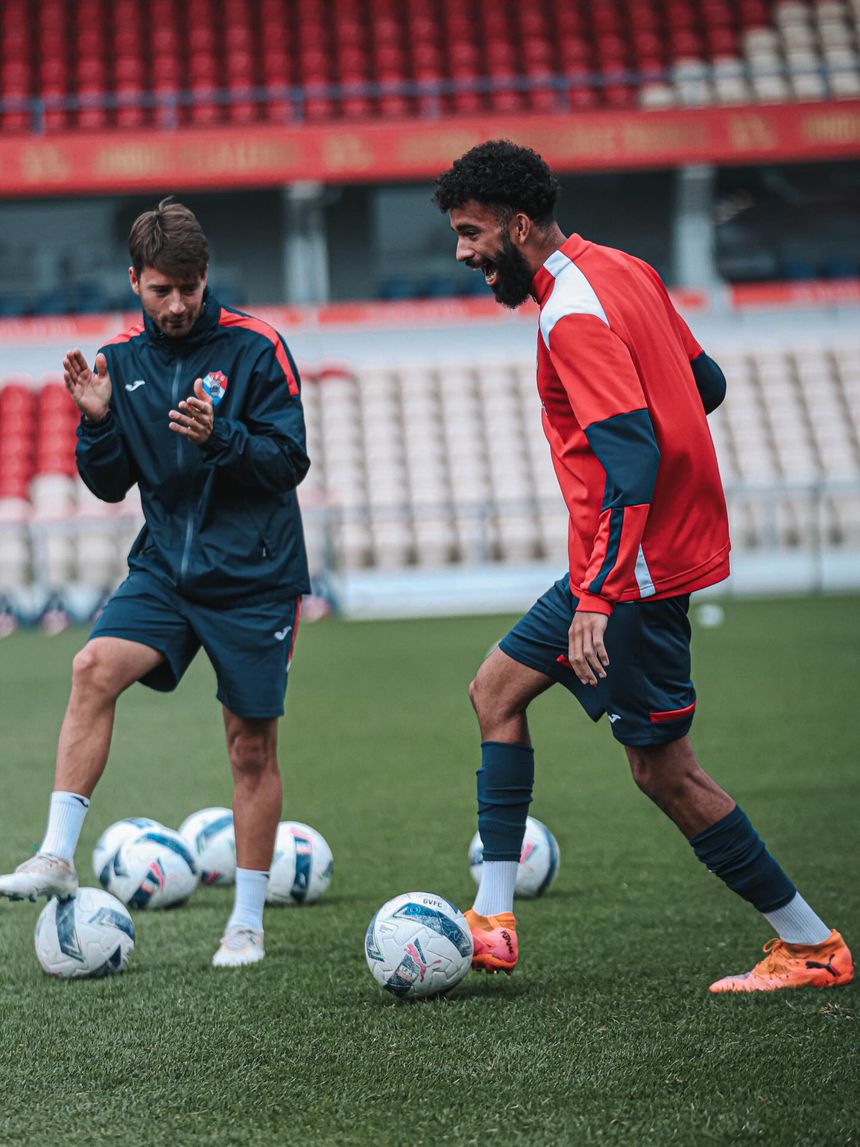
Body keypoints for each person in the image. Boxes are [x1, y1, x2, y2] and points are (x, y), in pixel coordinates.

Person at [433, 140, 852, 993]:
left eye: (472, 233)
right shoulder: (624, 269)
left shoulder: (569, 312)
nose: (464, 252)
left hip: (631, 573)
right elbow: (708, 383)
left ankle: (811, 944)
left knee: (665, 770)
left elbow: (632, 459)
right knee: (496, 690)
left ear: (520, 225)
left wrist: (600, 594)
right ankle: (494, 919)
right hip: (619, 562)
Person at [0, 199, 311, 968]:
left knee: (249, 747)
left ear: (206, 277)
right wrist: (98, 422)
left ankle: (245, 923)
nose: (175, 305)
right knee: (91, 667)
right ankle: (57, 852)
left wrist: (222, 436)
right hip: (165, 569)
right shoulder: (120, 361)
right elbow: (109, 484)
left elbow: (289, 461)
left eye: (188, 288)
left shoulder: (257, 348)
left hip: (255, 578)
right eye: (160, 289)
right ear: (134, 280)